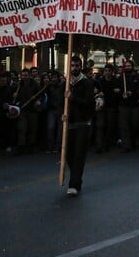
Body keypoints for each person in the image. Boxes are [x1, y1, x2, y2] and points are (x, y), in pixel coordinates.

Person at [64, 56, 95, 196]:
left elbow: (89, 103)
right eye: (72, 65)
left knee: (78, 155)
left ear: (80, 66)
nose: (74, 68)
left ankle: (74, 183)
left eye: (77, 65)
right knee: (68, 155)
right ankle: (76, 178)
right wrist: (62, 114)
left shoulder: (87, 83)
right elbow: (60, 102)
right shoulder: (65, 83)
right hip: (68, 124)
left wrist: (73, 98)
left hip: (82, 123)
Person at [117, 60, 139, 152]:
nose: (127, 67)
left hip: (135, 105)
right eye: (126, 66)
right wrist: (121, 93)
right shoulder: (121, 77)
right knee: (124, 126)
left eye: (129, 66)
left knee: (134, 125)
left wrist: (132, 92)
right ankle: (126, 145)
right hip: (123, 105)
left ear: (132, 66)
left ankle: (133, 142)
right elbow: (117, 89)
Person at [94, 64, 121, 153]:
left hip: (111, 107)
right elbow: (95, 92)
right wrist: (98, 93)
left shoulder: (116, 81)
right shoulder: (100, 81)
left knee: (109, 126)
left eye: (109, 71)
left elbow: (118, 93)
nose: (107, 72)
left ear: (112, 72)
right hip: (102, 107)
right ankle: (99, 145)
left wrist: (116, 92)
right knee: (100, 126)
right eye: (106, 71)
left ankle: (106, 144)